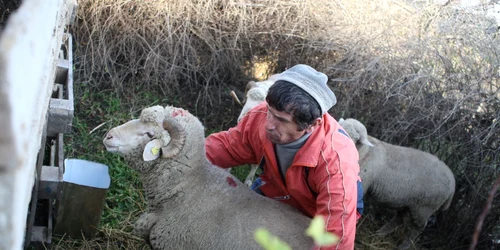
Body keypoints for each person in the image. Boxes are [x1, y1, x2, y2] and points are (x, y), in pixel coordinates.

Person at [205, 64, 362, 250]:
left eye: (281, 120)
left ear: (312, 124)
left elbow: (335, 234)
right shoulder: (261, 116)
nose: (268, 125)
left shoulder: (336, 161)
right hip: (277, 189)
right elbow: (228, 147)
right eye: (270, 112)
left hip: (317, 211)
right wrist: (185, 153)